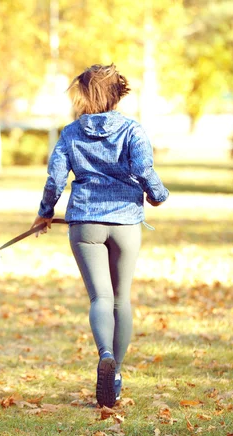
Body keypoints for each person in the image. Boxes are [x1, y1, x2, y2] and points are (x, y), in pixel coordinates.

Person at [31, 64, 169, 408]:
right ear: (117, 93)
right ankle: (115, 373)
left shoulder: (70, 133)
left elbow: (55, 179)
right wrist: (158, 195)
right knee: (122, 298)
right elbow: (143, 169)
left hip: (85, 224)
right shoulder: (133, 130)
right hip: (125, 223)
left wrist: (45, 212)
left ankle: (104, 353)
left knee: (100, 300)